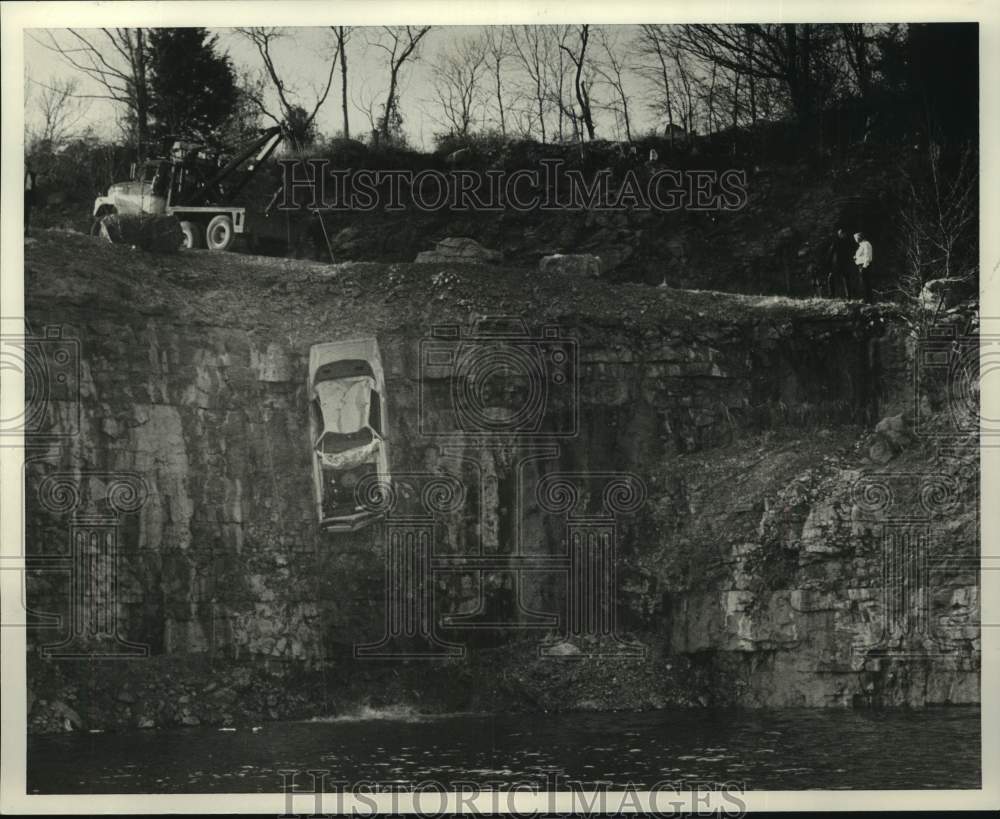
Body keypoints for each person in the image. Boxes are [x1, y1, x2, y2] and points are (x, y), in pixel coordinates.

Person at [826, 227, 855, 298]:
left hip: (839, 264)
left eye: (842, 234)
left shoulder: (837, 242)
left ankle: (834, 295)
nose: (842, 235)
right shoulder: (847, 242)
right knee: (841, 279)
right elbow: (830, 253)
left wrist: (828, 262)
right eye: (841, 234)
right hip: (840, 264)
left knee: (841, 279)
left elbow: (830, 253)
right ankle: (846, 296)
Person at [853, 231, 874, 303]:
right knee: (863, 282)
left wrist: (865, 266)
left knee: (865, 283)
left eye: (855, 238)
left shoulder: (866, 244)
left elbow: (867, 256)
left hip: (864, 266)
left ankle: (868, 300)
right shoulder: (862, 245)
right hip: (861, 265)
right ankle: (866, 299)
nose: (855, 240)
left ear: (859, 238)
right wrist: (856, 257)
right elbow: (861, 255)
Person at [24, 163, 37, 237]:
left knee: (28, 212)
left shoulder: (32, 174)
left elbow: (34, 187)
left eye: (26, 167)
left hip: (28, 195)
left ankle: (27, 230)